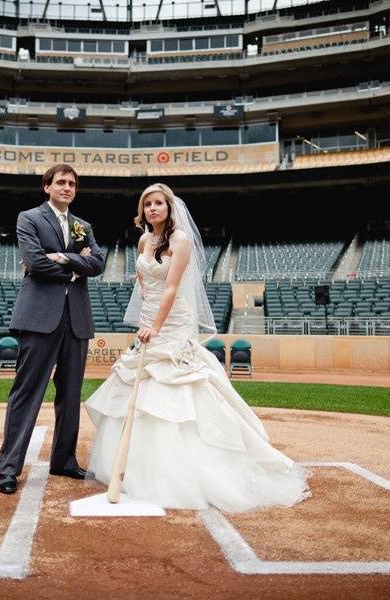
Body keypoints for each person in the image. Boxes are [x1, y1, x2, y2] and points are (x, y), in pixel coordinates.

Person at [84, 183, 310, 512]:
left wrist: (157, 326)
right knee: (140, 384)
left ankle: (186, 468)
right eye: (148, 204)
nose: (153, 209)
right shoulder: (144, 240)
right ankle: (133, 465)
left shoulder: (180, 240)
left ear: (169, 207)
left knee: (174, 382)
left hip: (173, 321)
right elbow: (145, 282)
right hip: (150, 317)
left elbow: (173, 287)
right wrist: (146, 311)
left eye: (159, 203)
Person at [0, 164, 105, 494]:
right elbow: (34, 260)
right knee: (27, 393)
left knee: (70, 395)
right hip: (39, 317)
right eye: (60, 182)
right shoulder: (28, 218)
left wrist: (64, 258)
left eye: (72, 183)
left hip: (76, 320)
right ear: (47, 187)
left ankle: (64, 460)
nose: (66, 187)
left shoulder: (82, 226)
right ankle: (9, 468)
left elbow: (98, 264)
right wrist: (76, 265)